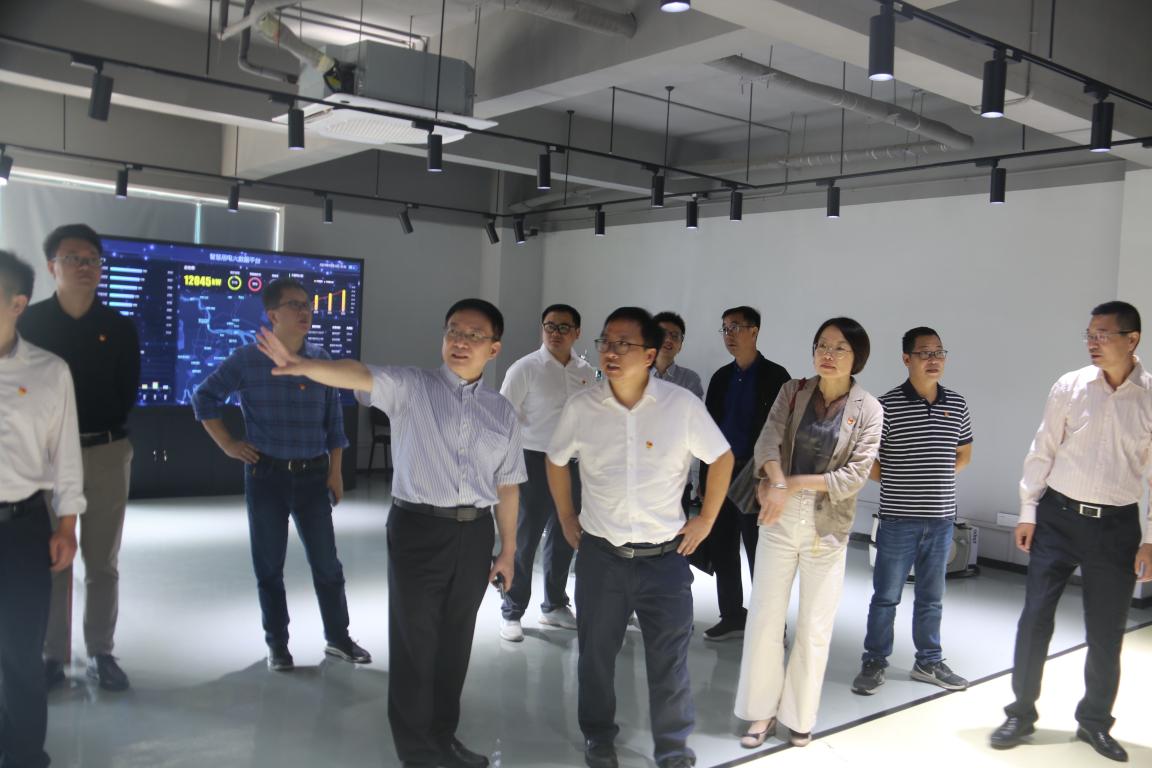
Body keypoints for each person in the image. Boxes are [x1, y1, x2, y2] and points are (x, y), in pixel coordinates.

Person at [256, 298, 525, 768]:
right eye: (453, 331)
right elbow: (360, 375)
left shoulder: (501, 411)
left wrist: (508, 550)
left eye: (473, 335)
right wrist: (305, 365)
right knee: (415, 643)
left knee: (455, 643)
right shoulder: (412, 387)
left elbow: (507, 485)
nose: (460, 342)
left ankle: (443, 737)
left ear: (494, 348)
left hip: (475, 533)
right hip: (418, 527)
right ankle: (417, 754)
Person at [546, 307, 734, 768]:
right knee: (596, 655)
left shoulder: (680, 405)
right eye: (605, 343)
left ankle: (672, 748)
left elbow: (721, 456)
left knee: (669, 660)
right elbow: (556, 459)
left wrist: (706, 519)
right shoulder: (583, 406)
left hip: (664, 560)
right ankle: (598, 736)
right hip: (601, 556)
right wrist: (567, 515)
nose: (610, 352)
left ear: (650, 354)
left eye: (623, 344)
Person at [990, 301, 1152, 763]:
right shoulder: (1070, 385)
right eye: (1089, 334)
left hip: (1117, 526)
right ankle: (1020, 713)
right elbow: (1042, 448)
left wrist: (1150, 539)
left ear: (1132, 339)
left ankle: (1094, 721)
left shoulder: (1149, 396)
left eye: (1103, 334)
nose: (1093, 342)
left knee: (1107, 630)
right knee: (1035, 618)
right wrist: (1028, 510)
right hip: (1057, 517)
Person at [191, 278, 369, 672]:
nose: (305, 311)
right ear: (272, 315)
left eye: (307, 304)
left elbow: (334, 424)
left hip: (313, 477)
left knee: (327, 565)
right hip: (266, 477)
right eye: (294, 305)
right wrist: (228, 444)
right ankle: (278, 645)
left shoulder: (321, 360)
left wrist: (336, 472)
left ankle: (338, 638)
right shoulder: (247, 360)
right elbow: (203, 397)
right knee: (269, 567)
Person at [734, 317, 882, 749]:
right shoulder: (793, 391)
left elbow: (854, 476)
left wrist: (791, 483)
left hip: (827, 524)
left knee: (815, 624)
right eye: (822, 345)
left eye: (839, 348)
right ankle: (760, 712)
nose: (828, 354)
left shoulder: (869, 409)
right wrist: (778, 482)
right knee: (765, 616)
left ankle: (799, 715)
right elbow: (767, 441)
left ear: (857, 357)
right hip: (778, 515)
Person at [18, 224, 139, 692]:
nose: (85, 267)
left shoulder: (119, 328)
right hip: (45, 457)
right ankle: (52, 655)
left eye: (92, 259)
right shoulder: (29, 323)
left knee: (102, 560)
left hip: (105, 450)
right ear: (52, 266)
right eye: (74, 258)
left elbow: (126, 393)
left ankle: (101, 652)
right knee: (54, 555)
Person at [852, 327, 974, 695]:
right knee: (886, 597)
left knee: (931, 598)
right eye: (924, 353)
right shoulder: (885, 406)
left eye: (939, 352)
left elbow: (964, 454)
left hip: (941, 519)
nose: (933, 359)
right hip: (897, 519)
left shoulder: (957, 404)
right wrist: (901, 479)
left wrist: (935, 476)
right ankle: (875, 660)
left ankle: (929, 661)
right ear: (907, 359)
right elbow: (868, 460)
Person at [0, 250, 84, 768]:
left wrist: (68, 525)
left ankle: (26, 755)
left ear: (17, 304)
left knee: (19, 651)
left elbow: (66, 456)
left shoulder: (50, 372)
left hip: (21, 527)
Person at [498, 303, 595, 641]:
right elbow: (502, 416)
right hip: (533, 461)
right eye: (550, 326)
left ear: (577, 332)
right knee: (524, 540)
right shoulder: (524, 368)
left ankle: (554, 605)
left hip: (572, 464)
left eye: (563, 327)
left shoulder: (587, 372)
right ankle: (512, 611)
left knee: (565, 535)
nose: (555, 332)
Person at [700, 306, 790, 641]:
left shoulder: (776, 376)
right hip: (721, 471)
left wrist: (773, 478)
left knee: (760, 552)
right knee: (722, 546)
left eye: (736, 327)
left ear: (755, 331)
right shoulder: (720, 377)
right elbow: (707, 429)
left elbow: (783, 432)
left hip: (756, 474)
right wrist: (704, 479)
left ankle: (771, 622)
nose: (729, 335)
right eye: (725, 328)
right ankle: (732, 615)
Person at [651, 311, 703, 399]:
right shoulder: (636, 374)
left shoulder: (690, 379)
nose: (668, 339)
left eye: (674, 335)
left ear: (680, 346)